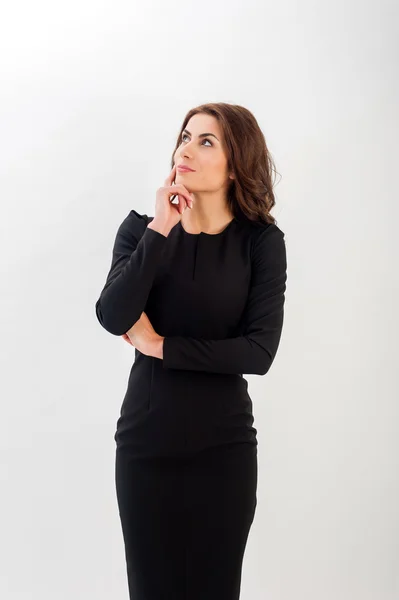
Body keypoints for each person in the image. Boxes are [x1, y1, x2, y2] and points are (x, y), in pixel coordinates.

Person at [95, 102, 287, 600]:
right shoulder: (142, 231)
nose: (187, 148)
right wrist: (162, 228)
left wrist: (161, 346)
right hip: (146, 446)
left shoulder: (261, 243)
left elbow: (258, 351)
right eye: (185, 136)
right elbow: (113, 316)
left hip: (222, 453)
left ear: (236, 161)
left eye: (206, 141)